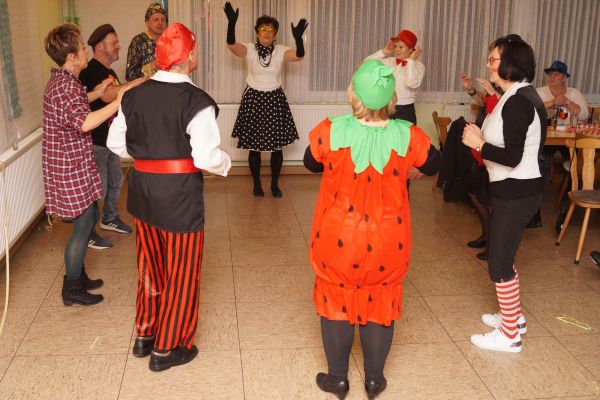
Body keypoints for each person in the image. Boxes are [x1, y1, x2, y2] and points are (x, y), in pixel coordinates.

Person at [304, 59, 440, 399]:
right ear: (391, 97)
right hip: (388, 238)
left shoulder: (330, 131)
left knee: (336, 298)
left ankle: (337, 379)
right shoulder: (409, 135)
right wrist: (411, 169)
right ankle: (375, 380)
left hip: (337, 236)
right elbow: (435, 163)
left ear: (354, 94)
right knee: (381, 298)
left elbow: (309, 162)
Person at [107, 23, 231, 372]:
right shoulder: (197, 100)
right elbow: (206, 157)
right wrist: (225, 162)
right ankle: (168, 347)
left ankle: (145, 334)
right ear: (189, 57)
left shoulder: (133, 95)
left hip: (143, 192)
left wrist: (148, 154)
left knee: (150, 265)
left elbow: (116, 144)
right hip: (179, 198)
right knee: (182, 271)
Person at [462, 34, 547, 353]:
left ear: (512, 63)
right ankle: (514, 318)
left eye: (494, 59)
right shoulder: (516, 94)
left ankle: (510, 335)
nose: (488, 64)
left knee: (498, 263)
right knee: (505, 258)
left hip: (517, 192)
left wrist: (479, 144)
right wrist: (481, 137)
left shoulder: (519, 101)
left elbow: (512, 156)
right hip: (516, 189)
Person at [42, 24, 135, 306]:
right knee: (83, 225)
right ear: (71, 56)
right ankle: (72, 288)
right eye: (82, 47)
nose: (86, 51)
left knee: (89, 216)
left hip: (75, 162)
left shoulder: (66, 81)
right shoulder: (64, 86)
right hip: (69, 167)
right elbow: (84, 122)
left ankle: (78, 276)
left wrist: (97, 92)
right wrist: (118, 100)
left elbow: (77, 104)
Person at [224, 2, 308, 197]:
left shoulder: (280, 51)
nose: (267, 33)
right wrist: (231, 24)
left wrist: (298, 40)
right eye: (263, 29)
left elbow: (299, 56)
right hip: (254, 99)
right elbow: (232, 46)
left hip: (274, 100)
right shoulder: (249, 49)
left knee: (276, 147)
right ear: (257, 32)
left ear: (275, 34)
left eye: (271, 30)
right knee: (254, 148)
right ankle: (256, 184)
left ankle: (275, 185)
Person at [79, 24, 144, 249]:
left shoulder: (109, 72)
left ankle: (109, 218)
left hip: (109, 141)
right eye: (114, 42)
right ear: (100, 46)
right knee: (98, 190)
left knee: (116, 182)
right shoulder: (90, 70)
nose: (118, 46)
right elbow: (107, 96)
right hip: (95, 142)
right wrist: (137, 82)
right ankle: (87, 233)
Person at [460, 73, 502, 260]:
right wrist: (471, 90)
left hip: (492, 149)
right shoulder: (497, 86)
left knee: (490, 202)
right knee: (475, 194)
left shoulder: (514, 90)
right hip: (480, 147)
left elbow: (502, 108)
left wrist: (493, 93)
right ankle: (486, 234)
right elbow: (484, 101)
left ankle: (493, 245)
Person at [537, 60, 589, 180]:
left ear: (565, 78)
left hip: (568, 138)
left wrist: (566, 102)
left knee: (575, 161)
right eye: (550, 74)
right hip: (546, 138)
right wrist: (553, 102)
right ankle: (541, 186)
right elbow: (533, 109)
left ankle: (571, 187)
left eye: (556, 74)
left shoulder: (574, 93)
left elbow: (584, 115)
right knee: (542, 161)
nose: (552, 77)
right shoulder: (540, 92)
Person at [365, 29, 425, 124]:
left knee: (406, 134)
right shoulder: (388, 61)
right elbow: (366, 64)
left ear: (410, 49)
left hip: (406, 111)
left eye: (401, 47)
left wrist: (411, 61)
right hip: (387, 108)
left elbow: (411, 83)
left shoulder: (418, 66)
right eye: (396, 46)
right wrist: (384, 51)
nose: (397, 49)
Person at [125, 2, 167, 81]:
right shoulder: (138, 41)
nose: (160, 23)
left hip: (169, 87)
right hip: (145, 87)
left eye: (163, 20)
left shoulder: (170, 41)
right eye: (156, 20)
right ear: (147, 23)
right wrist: (152, 66)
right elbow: (130, 75)